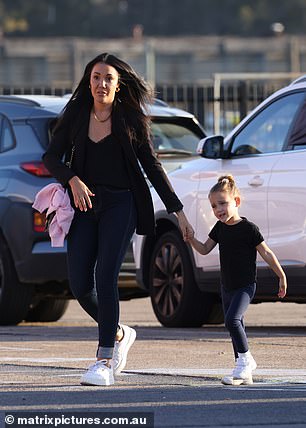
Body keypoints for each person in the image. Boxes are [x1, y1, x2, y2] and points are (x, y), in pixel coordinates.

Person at [43, 52, 194, 386]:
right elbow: (50, 157)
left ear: (119, 83)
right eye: (96, 77)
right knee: (80, 284)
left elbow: (152, 166)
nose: (101, 84)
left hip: (121, 204)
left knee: (106, 274)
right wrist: (71, 178)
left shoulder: (130, 118)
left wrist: (178, 211)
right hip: (84, 205)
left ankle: (104, 359)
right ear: (89, 81)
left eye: (108, 78)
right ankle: (121, 332)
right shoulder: (77, 114)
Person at [188, 175, 287, 386]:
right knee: (236, 325)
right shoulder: (219, 228)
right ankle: (242, 371)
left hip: (245, 286)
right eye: (214, 206)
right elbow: (205, 249)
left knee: (232, 320)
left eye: (222, 203)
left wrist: (281, 275)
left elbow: (266, 253)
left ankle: (245, 362)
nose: (218, 209)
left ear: (237, 202)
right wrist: (191, 240)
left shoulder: (248, 229)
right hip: (227, 286)